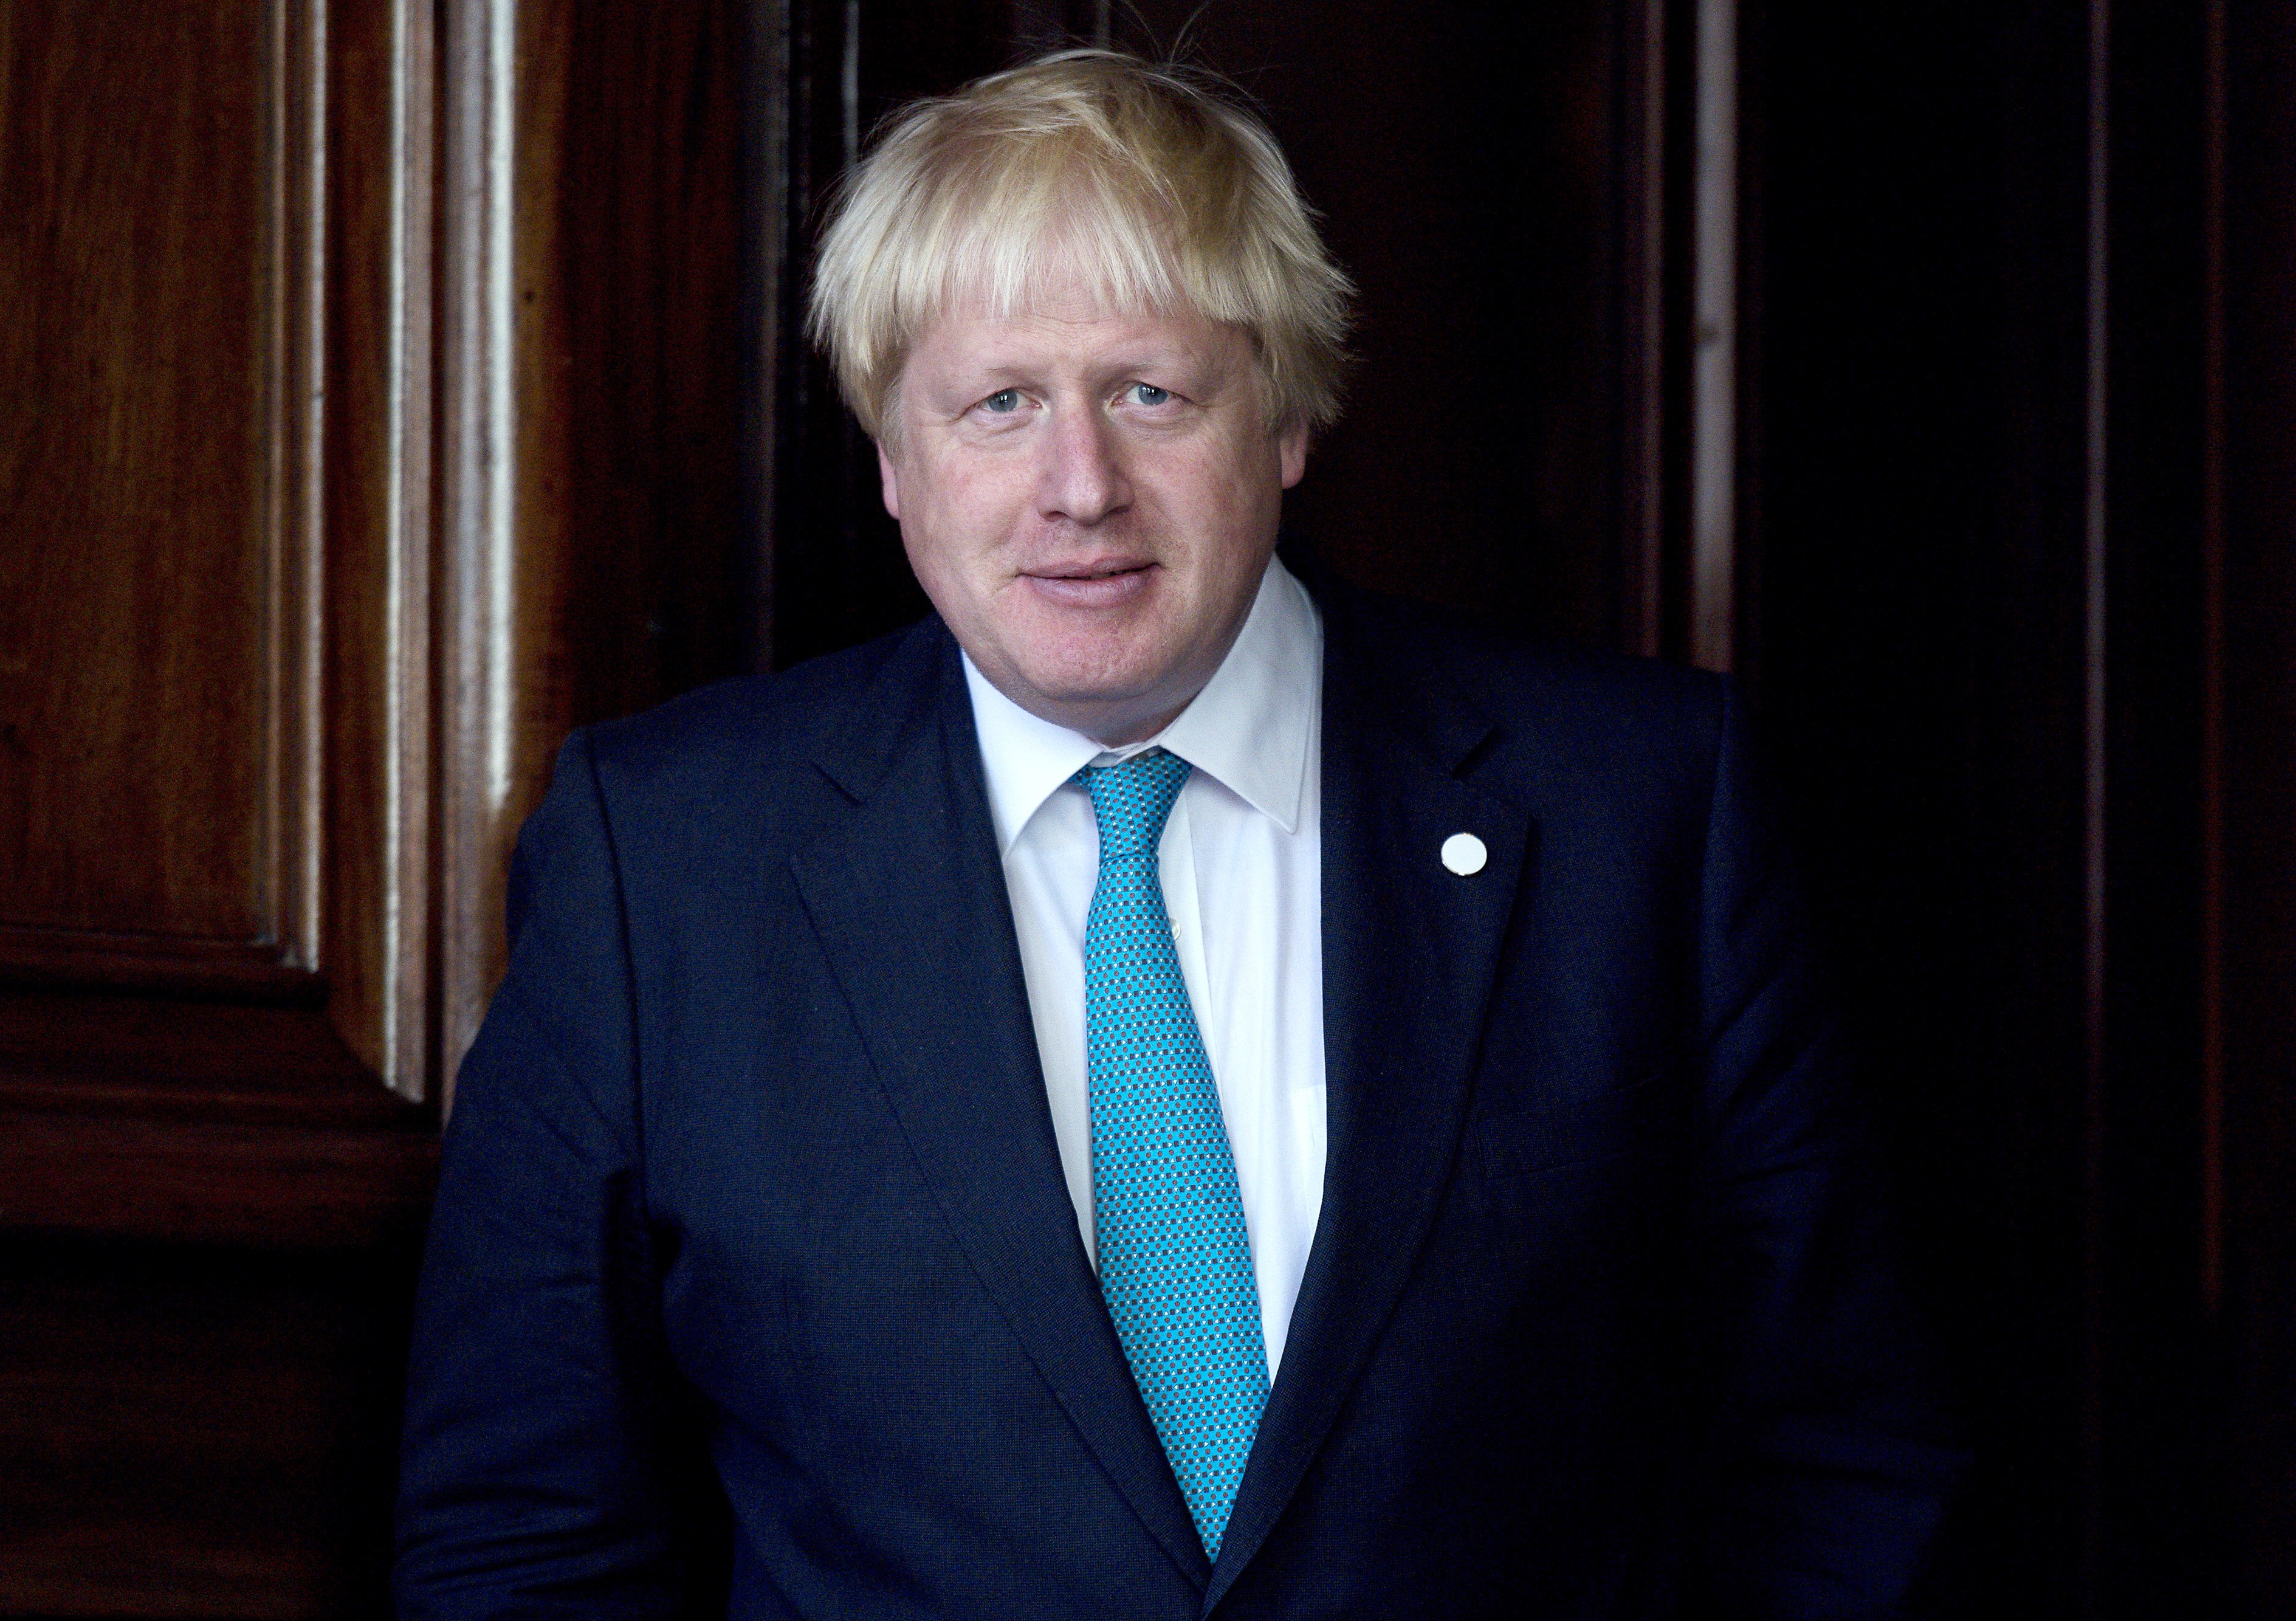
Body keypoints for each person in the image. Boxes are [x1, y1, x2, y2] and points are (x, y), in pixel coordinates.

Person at [394, 49, 1960, 1618]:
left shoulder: (1640, 812)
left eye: (1152, 392)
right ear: (892, 457)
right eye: (999, 403)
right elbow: (519, 1537)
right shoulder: (663, 870)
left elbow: (1838, 1460)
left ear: (1283, 416)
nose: (1080, 486)